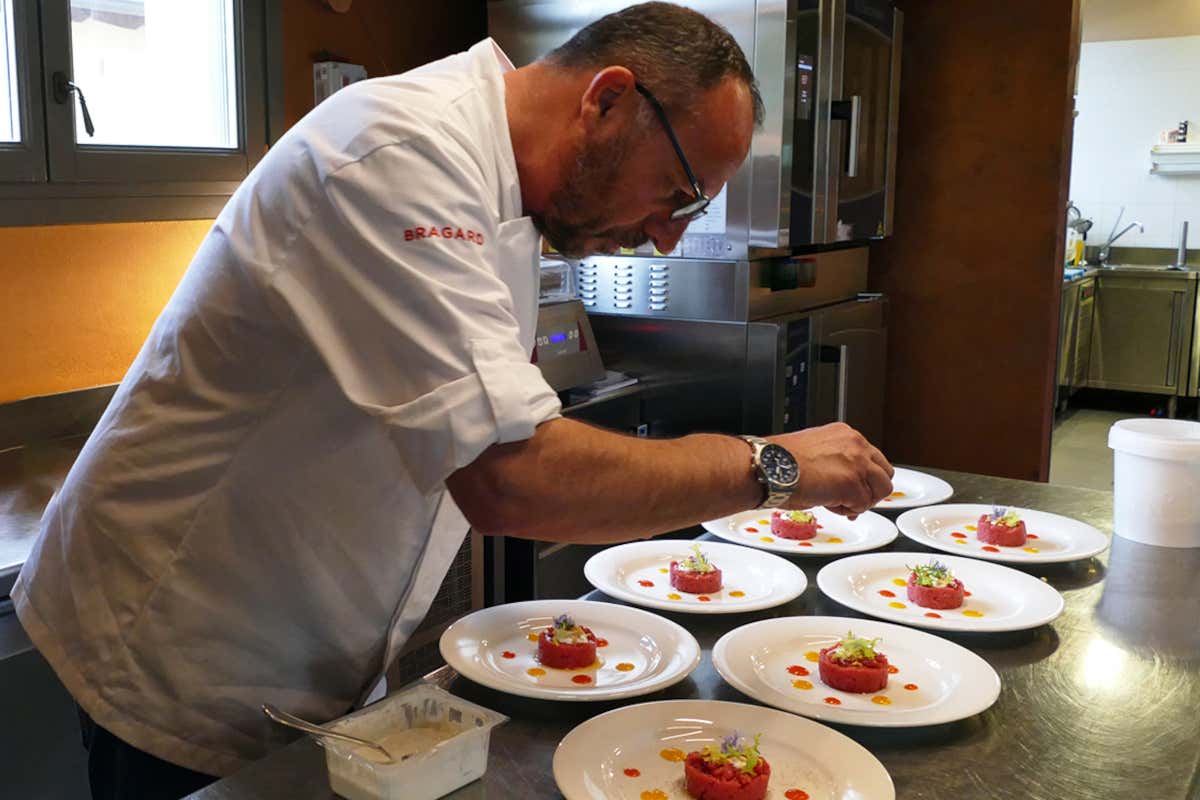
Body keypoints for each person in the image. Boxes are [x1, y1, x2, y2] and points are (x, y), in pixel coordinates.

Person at [13, 3, 893, 798]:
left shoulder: (502, 181)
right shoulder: (398, 155)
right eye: (677, 194)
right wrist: (768, 466)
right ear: (607, 100)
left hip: (301, 642)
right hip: (179, 640)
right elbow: (515, 479)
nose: (667, 236)